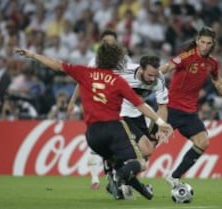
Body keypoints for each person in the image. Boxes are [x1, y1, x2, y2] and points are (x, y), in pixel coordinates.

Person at [15, 43, 173, 200]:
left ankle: (140, 190)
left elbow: (57, 65)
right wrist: (161, 123)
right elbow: (141, 105)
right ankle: (119, 175)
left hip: (92, 135)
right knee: (141, 162)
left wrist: (33, 55)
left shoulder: (84, 73)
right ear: (117, 61)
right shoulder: (118, 81)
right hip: (114, 128)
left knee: (117, 163)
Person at [70, 55, 169, 199]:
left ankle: (116, 176)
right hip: (120, 114)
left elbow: (163, 107)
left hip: (139, 113)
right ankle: (121, 179)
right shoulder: (122, 72)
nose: (152, 79)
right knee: (144, 149)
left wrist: (161, 127)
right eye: (149, 75)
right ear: (140, 69)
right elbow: (88, 78)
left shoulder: (158, 79)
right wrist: (74, 100)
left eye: (154, 75)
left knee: (146, 153)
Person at [159, 26, 222, 189]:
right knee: (148, 147)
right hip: (171, 108)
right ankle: (125, 176)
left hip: (189, 112)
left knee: (203, 141)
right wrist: (151, 78)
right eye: (202, 42)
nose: (205, 46)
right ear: (197, 41)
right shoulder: (187, 56)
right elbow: (168, 66)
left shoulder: (212, 63)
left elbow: (217, 80)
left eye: (208, 43)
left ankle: (174, 177)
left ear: (213, 44)